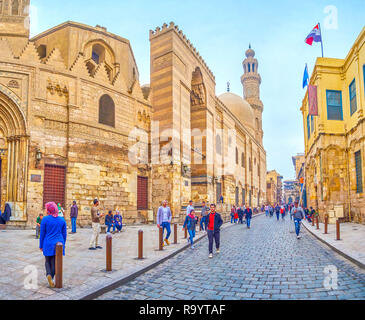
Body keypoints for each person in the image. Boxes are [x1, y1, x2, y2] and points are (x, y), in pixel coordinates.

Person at [39, 202, 67, 288]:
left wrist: (41, 245)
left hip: (47, 243)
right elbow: (64, 234)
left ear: (48, 210)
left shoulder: (45, 219)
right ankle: (51, 276)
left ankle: (48, 274)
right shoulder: (62, 220)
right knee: (56, 262)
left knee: (47, 261)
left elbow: (42, 234)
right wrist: (63, 244)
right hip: (59, 243)